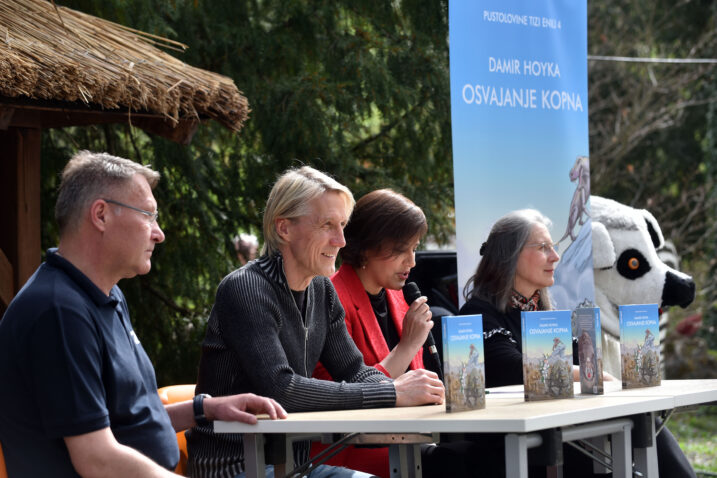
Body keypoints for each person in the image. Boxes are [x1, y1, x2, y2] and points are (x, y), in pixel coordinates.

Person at [0, 151, 286, 478]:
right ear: (101, 215)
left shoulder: (106, 295)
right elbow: (96, 458)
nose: (158, 232)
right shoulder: (57, 312)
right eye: (148, 215)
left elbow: (128, 419)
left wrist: (206, 409)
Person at [186, 168, 444, 478]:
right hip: (233, 468)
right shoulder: (245, 288)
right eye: (327, 226)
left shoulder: (321, 289)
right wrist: (392, 392)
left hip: (293, 466)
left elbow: (355, 371)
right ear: (284, 228)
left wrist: (414, 390)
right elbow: (282, 390)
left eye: (343, 226)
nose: (341, 240)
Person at [459, 208, 696, 478]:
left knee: (646, 424)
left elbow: (580, 361)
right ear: (508, 254)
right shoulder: (477, 313)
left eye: (554, 247)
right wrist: (588, 373)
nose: (555, 257)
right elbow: (509, 368)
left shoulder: (543, 314)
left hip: (564, 433)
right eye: (543, 247)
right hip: (516, 445)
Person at [313, 189, 503, 478]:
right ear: (366, 246)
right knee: (453, 464)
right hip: (352, 449)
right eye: (401, 250)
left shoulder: (398, 299)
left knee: (487, 455)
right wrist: (408, 344)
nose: (412, 262)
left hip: (407, 438)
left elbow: (417, 386)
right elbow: (345, 398)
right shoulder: (332, 297)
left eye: (414, 248)